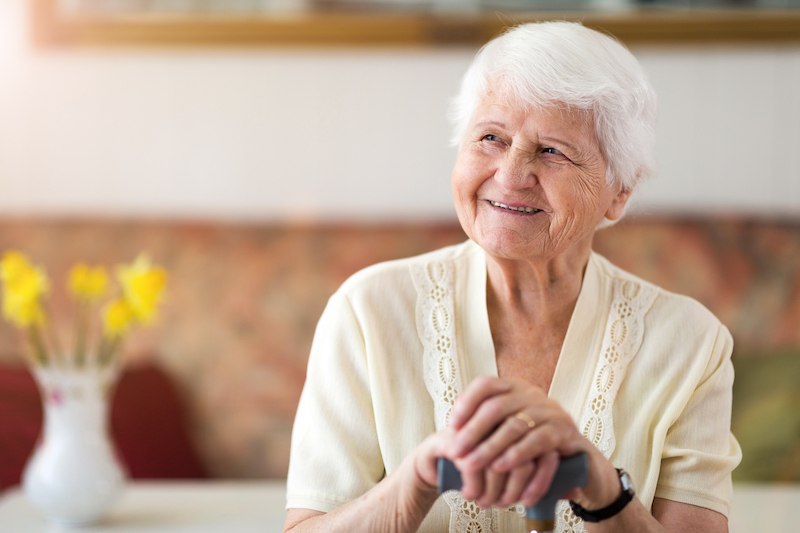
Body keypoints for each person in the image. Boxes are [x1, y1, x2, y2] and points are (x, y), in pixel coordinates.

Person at [283, 21, 741, 533]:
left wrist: (602, 489)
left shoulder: (691, 343)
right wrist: (415, 478)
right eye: (491, 138)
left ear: (620, 191)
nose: (510, 173)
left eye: (552, 151)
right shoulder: (367, 311)